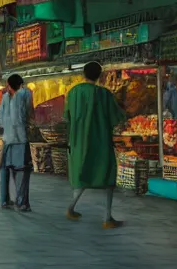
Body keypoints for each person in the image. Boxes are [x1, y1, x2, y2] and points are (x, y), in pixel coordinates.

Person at [64, 61, 126, 229]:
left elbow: (67, 117)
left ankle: (71, 208)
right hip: (100, 141)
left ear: (83, 74)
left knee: (82, 175)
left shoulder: (73, 93)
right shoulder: (104, 94)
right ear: (100, 75)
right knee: (107, 177)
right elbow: (116, 117)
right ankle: (107, 218)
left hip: (78, 142)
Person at [0, 74, 33, 212]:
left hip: (8, 138)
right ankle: (21, 202)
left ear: (10, 85)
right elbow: (29, 113)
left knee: (7, 170)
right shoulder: (25, 94)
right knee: (22, 172)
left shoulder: (7, 97)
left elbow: (0, 120)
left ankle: (6, 201)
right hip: (20, 139)